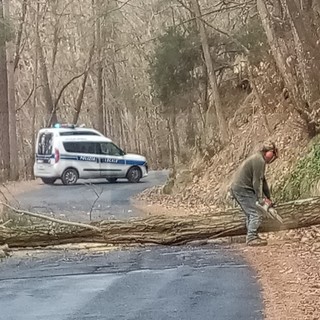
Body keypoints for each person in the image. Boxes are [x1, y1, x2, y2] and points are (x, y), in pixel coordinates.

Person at [230, 142, 279, 246]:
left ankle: (252, 235)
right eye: (273, 154)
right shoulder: (259, 160)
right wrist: (261, 199)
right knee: (255, 213)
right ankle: (251, 237)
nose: (273, 157)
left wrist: (268, 198)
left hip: (241, 188)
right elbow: (257, 182)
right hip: (242, 189)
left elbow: (263, 181)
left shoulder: (258, 159)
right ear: (269, 153)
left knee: (250, 213)